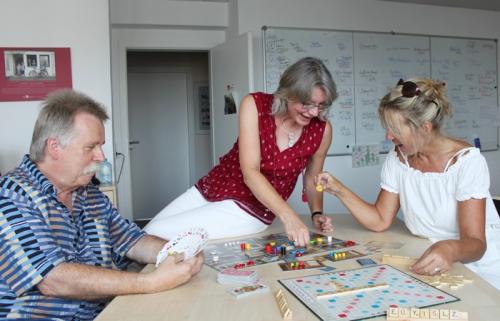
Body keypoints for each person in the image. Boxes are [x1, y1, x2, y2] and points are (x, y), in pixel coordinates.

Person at [0, 90, 204, 320]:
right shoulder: (11, 196)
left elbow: (132, 241)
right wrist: (151, 282)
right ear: (54, 147)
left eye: (101, 146)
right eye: (91, 147)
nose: (101, 156)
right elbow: (53, 280)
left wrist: (178, 252)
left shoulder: (89, 194)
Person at [315, 78, 500, 290]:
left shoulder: (467, 162)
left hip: (478, 269)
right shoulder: (399, 158)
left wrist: (450, 249)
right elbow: (380, 220)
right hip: (427, 258)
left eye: (395, 129)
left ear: (424, 128)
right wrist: (338, 188)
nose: (388, 136)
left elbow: (476, 244)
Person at [145, 57, 337, 246]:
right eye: (307, 103)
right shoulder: (254, 105)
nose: (313, 112)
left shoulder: (322, 129)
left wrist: (316, 213)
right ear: (289, 93)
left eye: (320, 105)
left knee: (155, 236)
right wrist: (290, 217)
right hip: (213, 186)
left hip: (249, 209)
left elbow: (313, 178)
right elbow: (250, 172)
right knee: (145, 234)